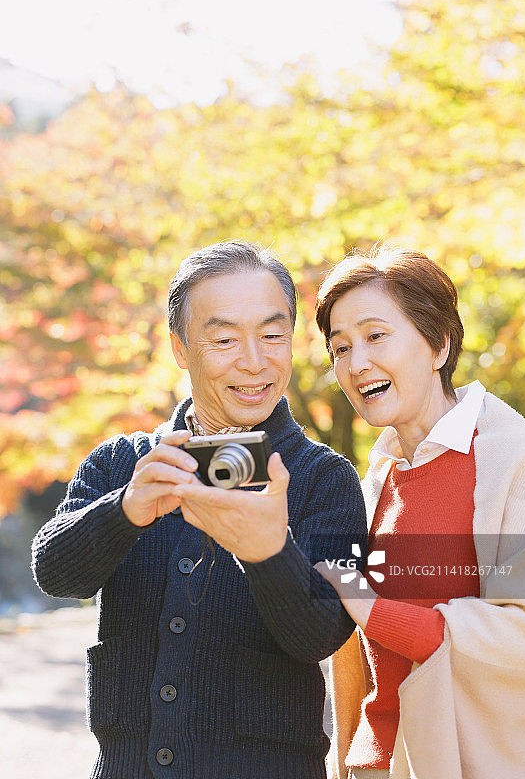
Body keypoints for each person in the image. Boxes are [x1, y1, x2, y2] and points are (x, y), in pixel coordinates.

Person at [31, 239, 366, 779]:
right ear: (180, 348)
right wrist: (125, 510)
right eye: (224, 339)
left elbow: (324, 636)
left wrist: (268, 554)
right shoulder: (123, 463)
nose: (254, 362)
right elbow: (54, 572)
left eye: (272, 335)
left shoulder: (325, 480)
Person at [313, 245, 525, 779]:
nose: (355, 362)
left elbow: (524, 633)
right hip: (375, 764)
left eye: (375, 335)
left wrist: (372, 609)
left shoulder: (514, 460)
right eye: (339, 347)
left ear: (438, 345)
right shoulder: (374, 480)